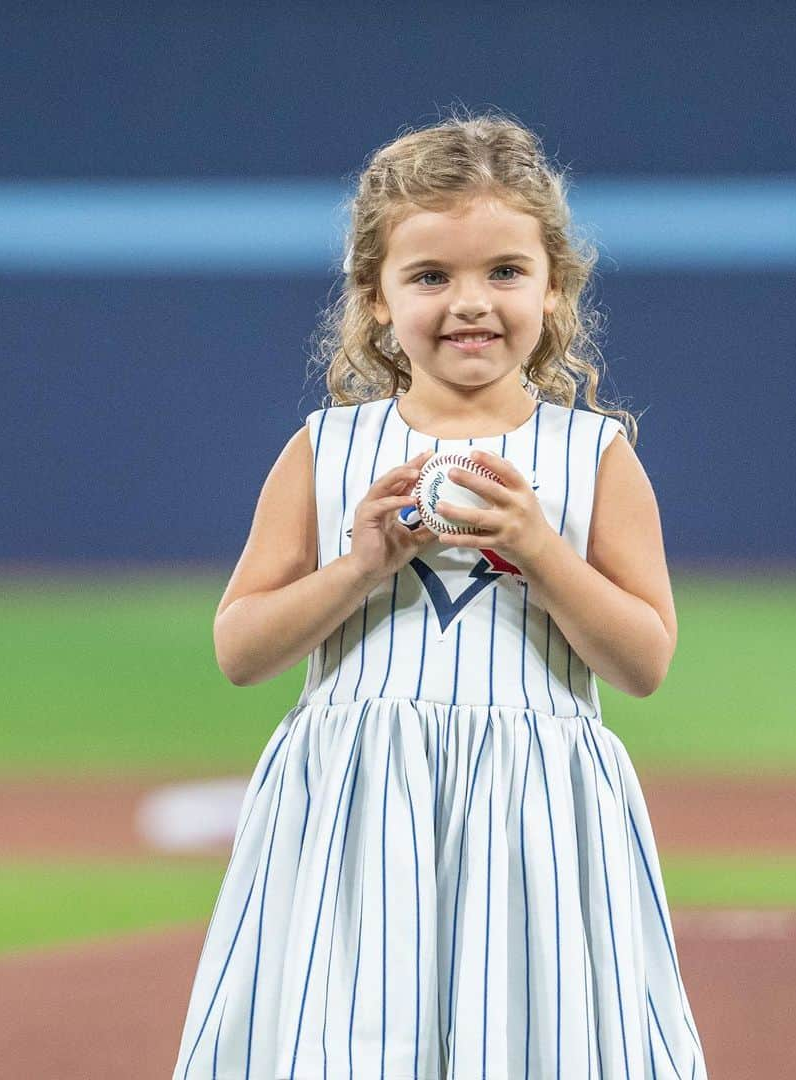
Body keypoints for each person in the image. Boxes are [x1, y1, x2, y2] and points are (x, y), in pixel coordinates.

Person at [172, 107, 708, 1080]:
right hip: (353, 800)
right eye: (431, 276)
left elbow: (643, 663)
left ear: (555, 290)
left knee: (541, 1039)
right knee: (339, 1044)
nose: (471, 303)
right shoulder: (326, 450)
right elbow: (241, 650)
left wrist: (543, 553)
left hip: (536, 806)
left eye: (505, 271)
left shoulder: (594, 457)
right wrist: (358, 568)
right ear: (375, 299)